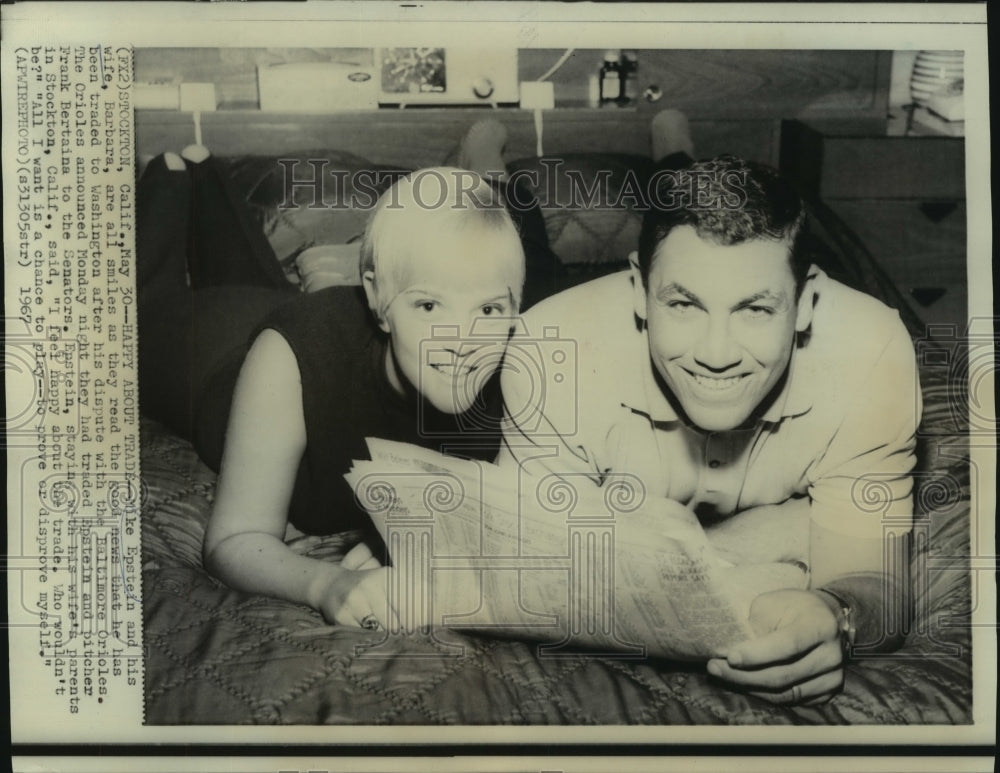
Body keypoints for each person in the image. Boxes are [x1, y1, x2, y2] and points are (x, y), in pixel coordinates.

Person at [500, 110, 920, 705]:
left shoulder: (874, 351)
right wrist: (788, 527)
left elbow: (875, 586)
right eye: (683, 305)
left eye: (755, 309)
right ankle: (486, 165)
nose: (716, 354)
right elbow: (536, 580)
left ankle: (676, 147)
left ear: (806, 304)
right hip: (575, 316)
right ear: (640, 291)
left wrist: (835, 612)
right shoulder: (547, 348)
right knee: (516, 247)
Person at [137, 122, 562, 630]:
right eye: (429, 304)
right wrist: (327, 583)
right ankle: (166, 178)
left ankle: (208, 176)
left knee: (258, 280)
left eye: (490, 310)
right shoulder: (294, 354)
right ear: (379, 300)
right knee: (140, 310)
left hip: (291, 311)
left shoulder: (520, 368)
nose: (464, 341)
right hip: (217, 354)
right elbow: (233, 540)